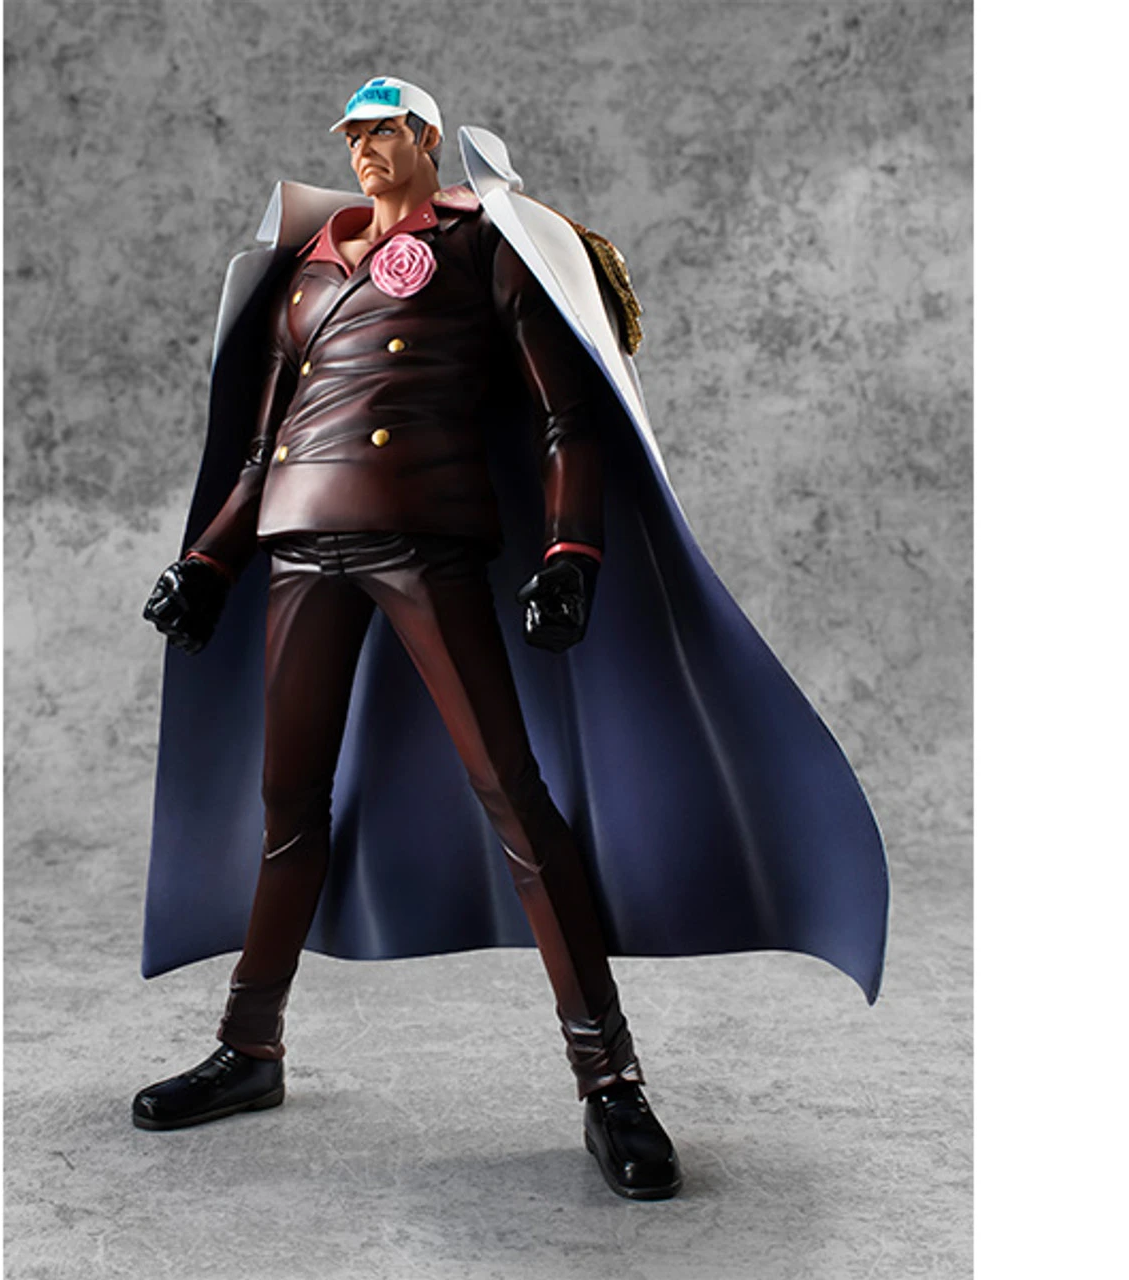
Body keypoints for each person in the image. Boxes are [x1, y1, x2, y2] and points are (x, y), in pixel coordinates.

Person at [135, 76, 889, 1203]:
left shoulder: (485, 246)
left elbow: (561, 418)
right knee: (287, 804)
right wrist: (207, 561)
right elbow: (261, 450)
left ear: (427, 137)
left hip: (420, 536)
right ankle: (250, 1047)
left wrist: (571, 551)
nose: (364, 149)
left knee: (513, 798)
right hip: (298, 545)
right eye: (354, 134)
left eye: (383, 130)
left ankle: (610, 1080)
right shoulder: (309, 268)